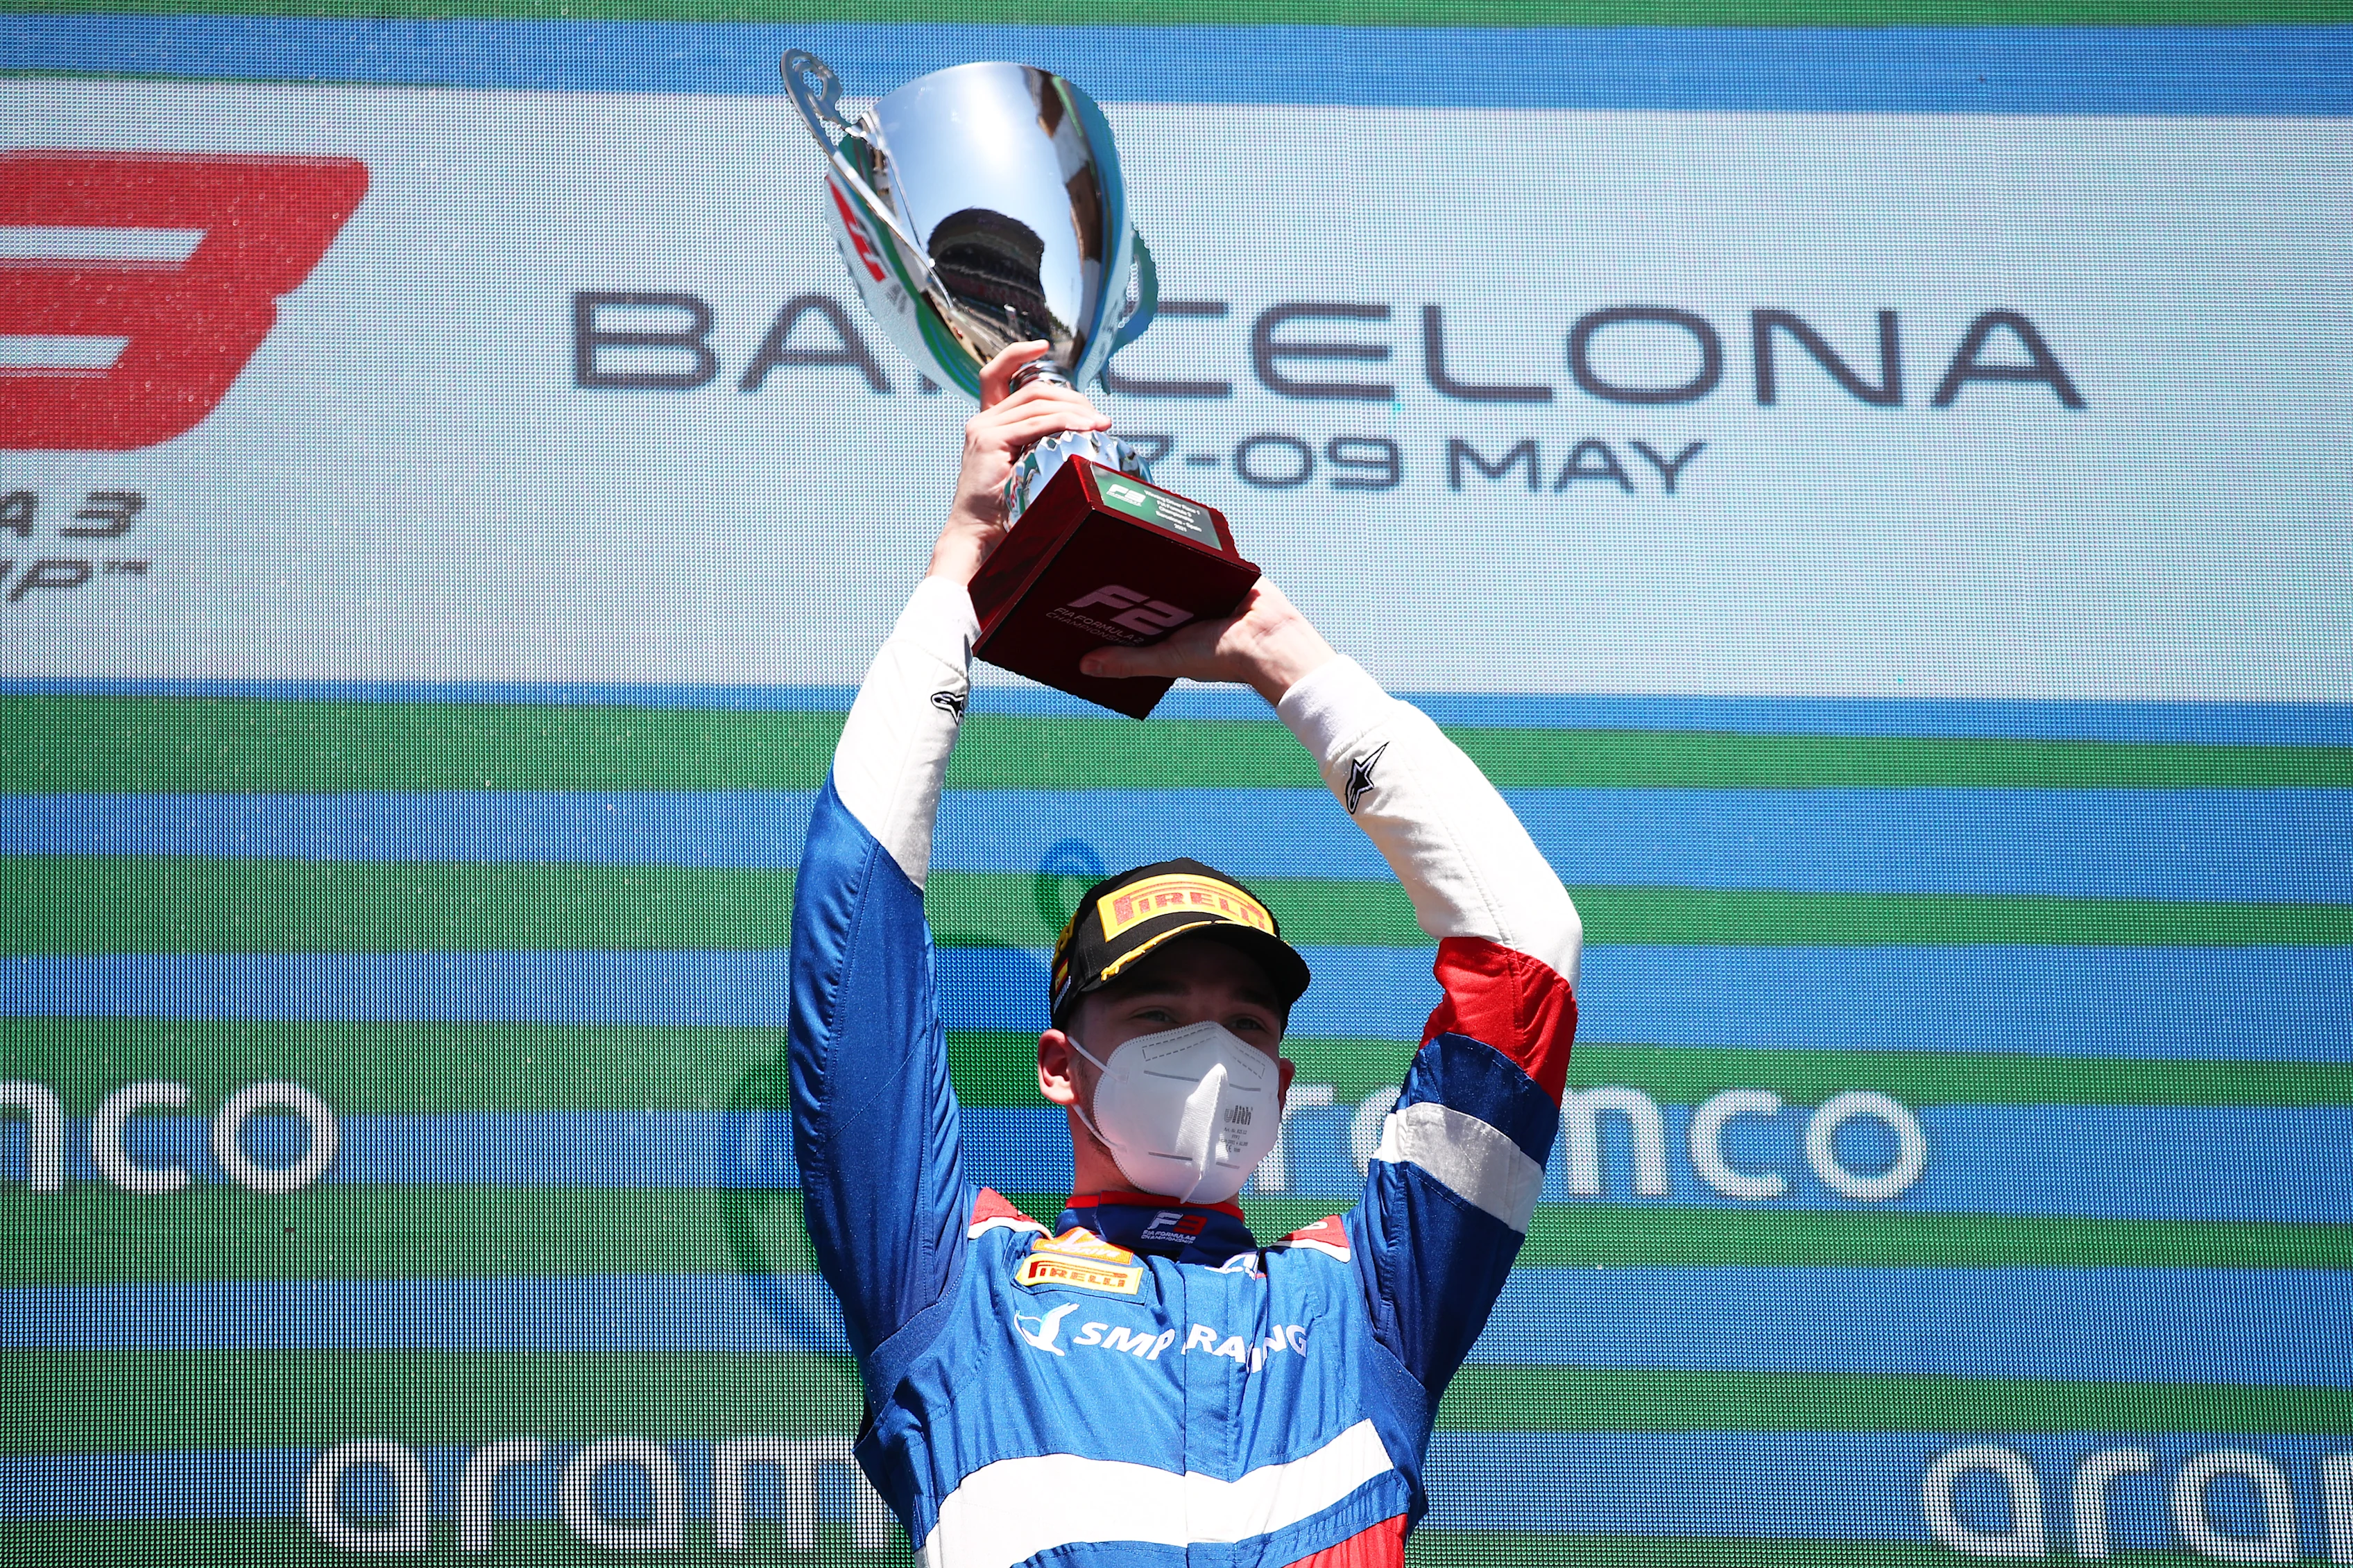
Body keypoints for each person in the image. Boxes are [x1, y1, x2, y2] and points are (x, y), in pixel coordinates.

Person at [788, 343, 1583, 1568]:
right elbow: (858, 913)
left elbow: (1526, 948)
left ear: (1281, 1081)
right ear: (1061, 1063)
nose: (1212, 1050)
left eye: (1248, 1025)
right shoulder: (952, 1277)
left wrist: (1283, 653)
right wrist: (956, 573)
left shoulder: (1367, 1302)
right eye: (1159, 1014)